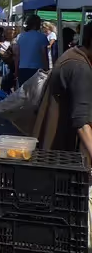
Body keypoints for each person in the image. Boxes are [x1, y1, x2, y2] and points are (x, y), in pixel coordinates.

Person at [35, 23, 92, 155]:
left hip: (54, 147)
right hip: (63, 152)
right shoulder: (79, 68)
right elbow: (82, 122)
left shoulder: (74, 54)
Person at [16, 14, 50, 87]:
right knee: (36, 94)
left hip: (22, 69)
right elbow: (44, 55)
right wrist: (47, 70)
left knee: (23, 94)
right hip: (37, 69)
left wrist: (16, 71)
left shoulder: (21, 36)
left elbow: (17, 55)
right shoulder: (42, 37)